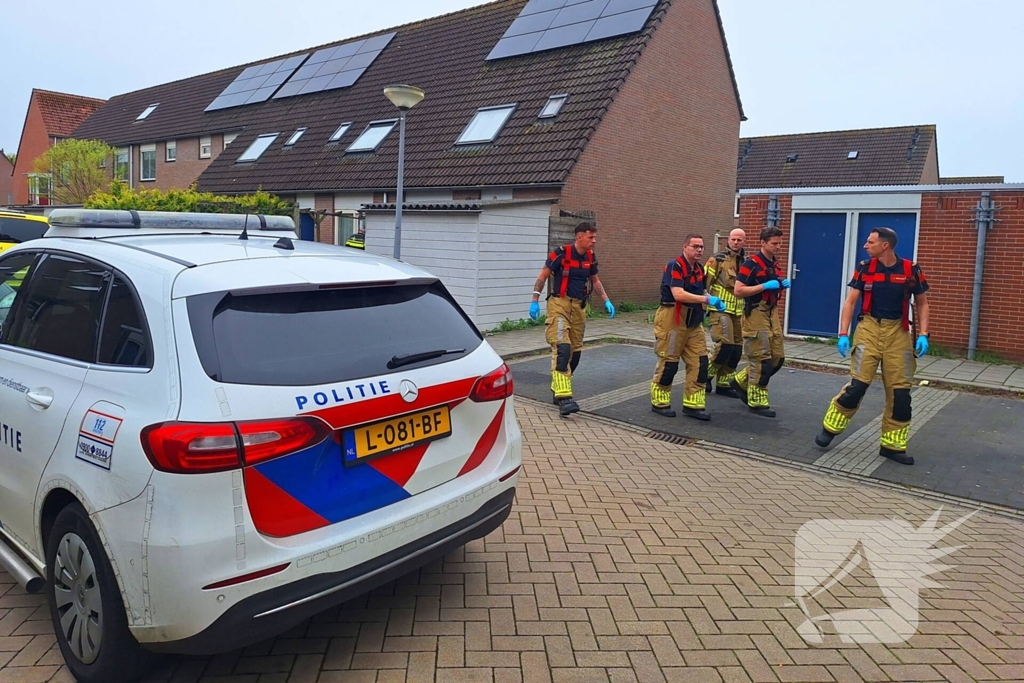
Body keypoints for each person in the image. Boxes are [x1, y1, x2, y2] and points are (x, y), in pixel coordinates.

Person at [814, 227, 930, 465]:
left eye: (870, 242)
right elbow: (851, 301)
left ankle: (892, 446)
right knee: (857, 386)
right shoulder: (865, 268)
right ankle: (830, 428)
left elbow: (922, 304)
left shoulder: (911, 270)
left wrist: (924, 334)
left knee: (900, 395)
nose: (866, 245)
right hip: (868, 329)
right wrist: (843, 333)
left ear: (884, 245)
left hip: (898, 333)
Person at [528, 222, 615, 417]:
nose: (594, 241)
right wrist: (535, 299)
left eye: (594, 237)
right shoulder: (560, 253)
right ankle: (564, 398)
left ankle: (558, 387)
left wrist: (606, 301)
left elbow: (595, 281)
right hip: (559, 305)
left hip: (579, 308)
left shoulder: (591, 257)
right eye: (591, 237)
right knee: (562, 348)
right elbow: (543, 276)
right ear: (579, 237)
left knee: (575, 354)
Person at [650, 234, 726, 420]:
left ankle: (693, 404)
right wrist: (706, 299)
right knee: (669, 363)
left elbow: (701, 289)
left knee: (700, 362)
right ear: (685, 247)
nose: (699, 250)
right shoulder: (674, 266)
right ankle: (659, 402)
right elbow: (678, 294)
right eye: (695, 246)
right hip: (672, 319)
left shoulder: (699, 269)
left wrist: (711, 300)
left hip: (693, 321)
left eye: (701, 247)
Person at [730, 226, 790, 417]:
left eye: (780, 243)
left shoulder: (773, 263)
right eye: (774, 243)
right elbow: (738, 291)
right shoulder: (751, 263)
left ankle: (741, 380)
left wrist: (780, 282)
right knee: (761, 359)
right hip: (755, 312)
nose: (778, 247)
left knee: (777, 358)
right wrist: (763, 286)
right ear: (763, 243)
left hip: (771, 313)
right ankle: (756, 399)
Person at [704, 228, 746, 398]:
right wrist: (704, 304)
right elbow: (704, 283)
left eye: (739, 240)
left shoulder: (746, 261)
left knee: (736, 349)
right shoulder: (717, 259)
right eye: (733, 239)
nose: (735, 243)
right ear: (728, 240)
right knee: (725, 345)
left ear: (744, 241)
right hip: (720, 309)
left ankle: (723, 383)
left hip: (738, 311)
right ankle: (705, 375)